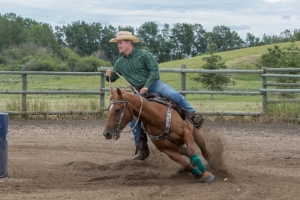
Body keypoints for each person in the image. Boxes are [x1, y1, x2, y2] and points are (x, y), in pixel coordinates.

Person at [105, 31, 209, 161]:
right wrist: (108, 75)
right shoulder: (119, 62)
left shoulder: (144, 55)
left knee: (173, 94)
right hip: (138, 91)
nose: (118, 46)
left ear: (128, 43)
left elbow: (154, 70)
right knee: (133, 117)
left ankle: (192, 115)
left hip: (154, 85)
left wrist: (146, 86)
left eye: (120, 43)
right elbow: (113, 77)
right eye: (118, 43)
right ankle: (141, 147)